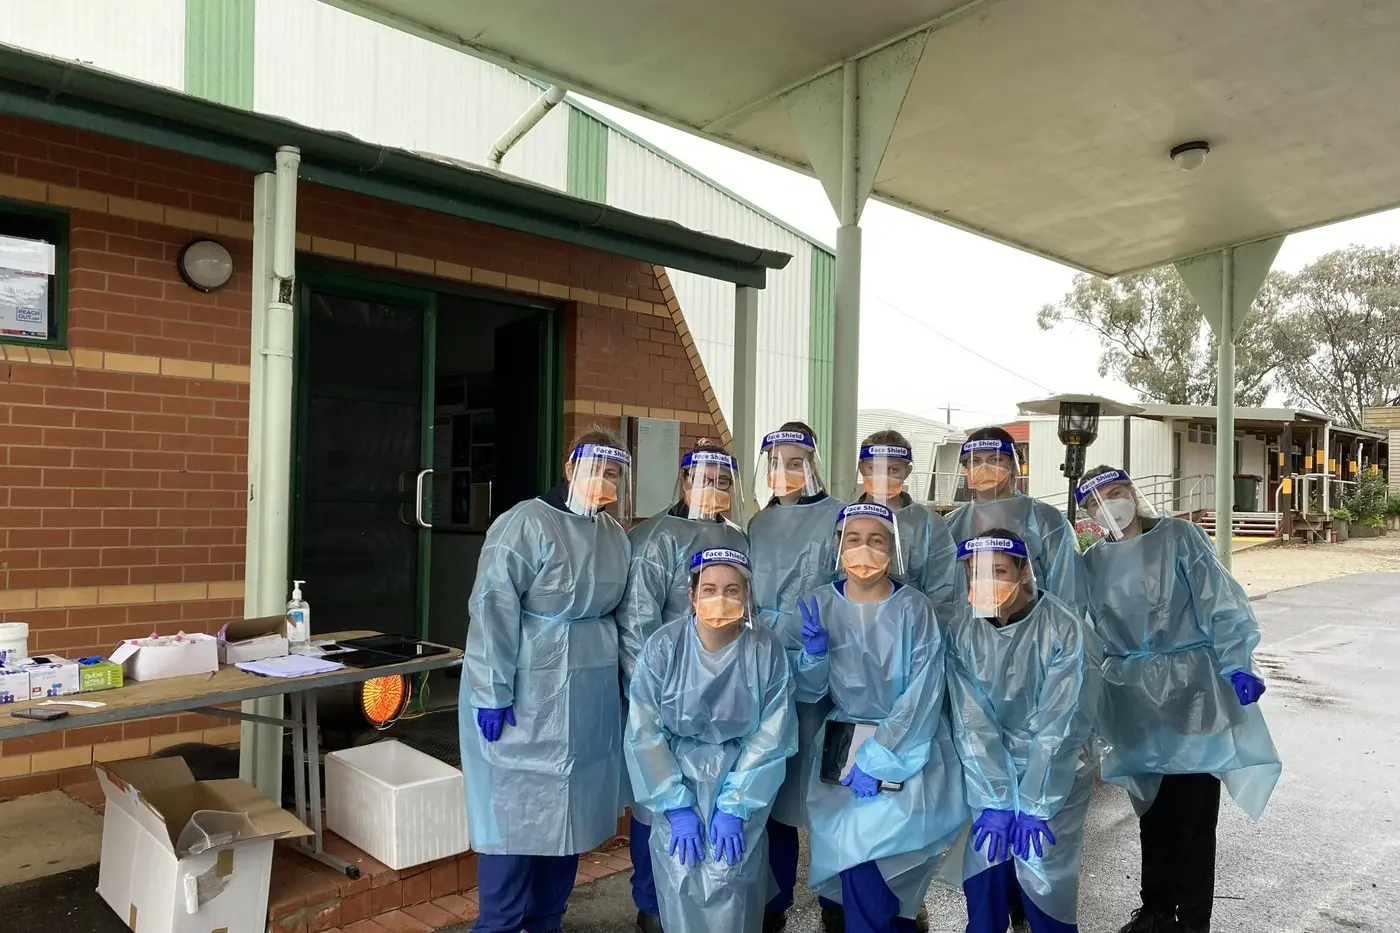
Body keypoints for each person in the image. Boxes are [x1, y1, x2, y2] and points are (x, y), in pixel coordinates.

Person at [1076, 467, 1281, 933]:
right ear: (1088, 514)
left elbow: (1220, 601)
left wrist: (1237, 662)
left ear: (1133, 492)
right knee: (1151, 810)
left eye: (1117, 493)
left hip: (1192, 693)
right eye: (1097, 502)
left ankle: (1192, 920)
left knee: (1192, 814)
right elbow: (1078, 632)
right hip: (1131, 700)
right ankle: (1155, 910)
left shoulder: (1180, 537)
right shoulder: (1092, 565)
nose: (1110, 506)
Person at [460, 430, 634, 933]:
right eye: (595, 468)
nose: (603, 482)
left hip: (589, 700)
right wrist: (492, 692)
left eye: (613, 473)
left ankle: (547, 922)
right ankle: (497, 925)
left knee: (570, 822)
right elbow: (492, 608)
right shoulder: (524, 524)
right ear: (569, 465)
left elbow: (623, 620)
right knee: (516, 823)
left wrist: (629, 688)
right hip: (523, 695)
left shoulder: (614, 537)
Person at [797, 502, 965, 933]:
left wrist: (880, 757)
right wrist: (812, 657)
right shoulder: (819, 604)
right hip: (841, 749)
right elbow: (809, 691)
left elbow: (923, 694)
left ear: (893, 548)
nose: (864, 549)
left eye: (876, 540)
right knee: (856, 863)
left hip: (906, 748)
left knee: (889, 864)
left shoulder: (915, 608)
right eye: (853, 539)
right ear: (838, 546)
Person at [625, 547, 798, 933]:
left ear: (748, 596)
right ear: (691, 594)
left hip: (742, 783)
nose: (721, 599)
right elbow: (644, 731)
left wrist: (736, 805)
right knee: (680, 878)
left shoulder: (764, 648)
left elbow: (773, 733)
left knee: (732, 882)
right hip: (676, 785)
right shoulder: (664, 647)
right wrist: (675, 804)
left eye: (733, 590)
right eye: (710, 589)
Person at [618, 440, 749, 933]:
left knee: (721, 804)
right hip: (667, 691)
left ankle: (712, 904)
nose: (712, 489)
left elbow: (745, 614)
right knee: (660, 801)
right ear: (684, 480)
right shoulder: (657, 536)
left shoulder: (738, 538)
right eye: (703, 478)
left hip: (728, 691)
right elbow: (637, 623)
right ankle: (653, 905)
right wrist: (655, 691)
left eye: (723, 480)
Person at [944, 531, 1102, 933]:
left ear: (1025, 571)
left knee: (1044, 878)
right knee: (986, 870)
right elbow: (970, 722)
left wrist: (1036, 803)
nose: (986, 582)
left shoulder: (1066, 630)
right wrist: (995, 797)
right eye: (976, 573)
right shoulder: (963, 630)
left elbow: (1061, 725)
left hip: (1057, 774)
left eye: (998, 570)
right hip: (989, 772)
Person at [747, 422, 847, 932]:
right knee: (772, 794)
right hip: (764, 668)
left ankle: (837, 904)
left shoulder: (837, 518)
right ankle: (772, 904)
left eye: (795, 461)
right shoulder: (757, 524)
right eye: (775, 461)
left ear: (813, 463)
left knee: (826, 793)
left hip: (822, 670)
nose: (784, 472)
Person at [946, 427, 1087, 619]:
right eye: (975, 461)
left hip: (1036, 637)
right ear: (966, 469)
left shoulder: (1046, 519)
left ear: (1014, 464)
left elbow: (1069, 592)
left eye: (995, 460)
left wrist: (1057, 637)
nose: (984, 468)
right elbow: (945, 593)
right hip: (970, 640)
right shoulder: (951, 525)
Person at [854, 430, 964, 626]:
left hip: (911, 628)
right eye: (874, 468)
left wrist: (923, 630)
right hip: (851, 624)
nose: (883, 477)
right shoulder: (844, 519)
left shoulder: (929, 523)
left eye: (893, 470)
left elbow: (944, 591)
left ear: (908, 471)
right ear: (861, 468)